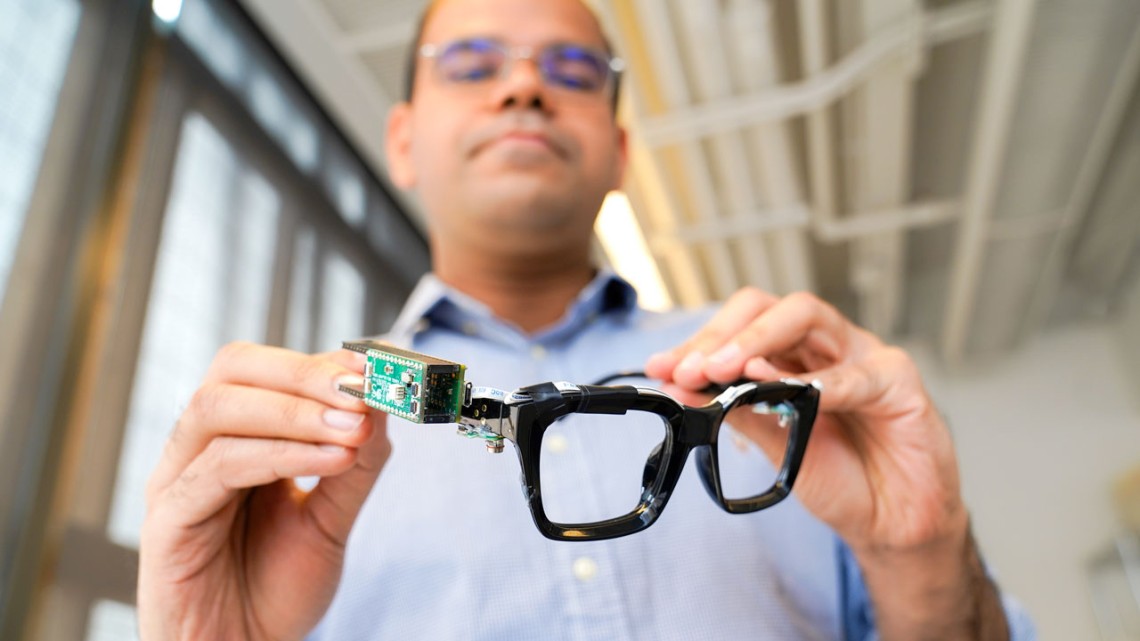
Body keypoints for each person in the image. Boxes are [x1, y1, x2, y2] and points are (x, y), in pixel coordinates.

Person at [137, 0, 1036, 638]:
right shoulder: (290, 460)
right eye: (473, 65)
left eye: (571, 71)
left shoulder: (783, 397)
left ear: (619, 152)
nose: (524, 88)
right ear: (403, 142)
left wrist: (925, 561)